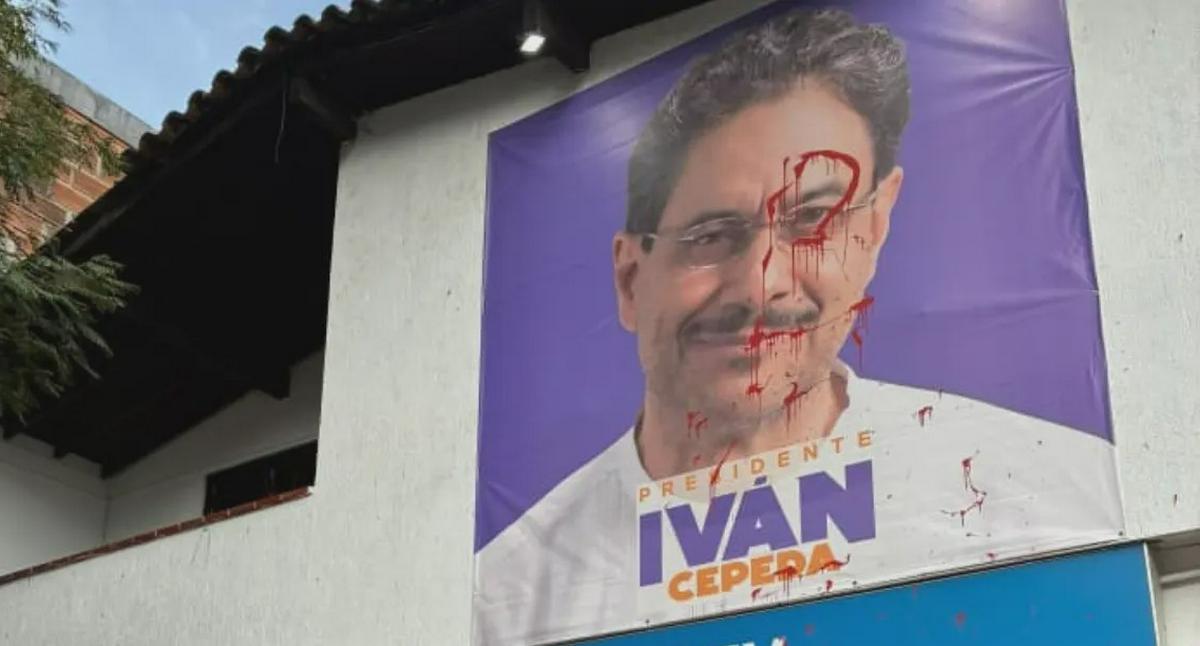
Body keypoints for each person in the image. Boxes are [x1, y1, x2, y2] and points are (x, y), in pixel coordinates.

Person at [473, 8, 1120, 645]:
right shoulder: (516, 592)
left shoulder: (1029, 490)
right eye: (711, 235)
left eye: (813, 220)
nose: (763, 283)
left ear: (874, 227)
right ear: (630, 279)